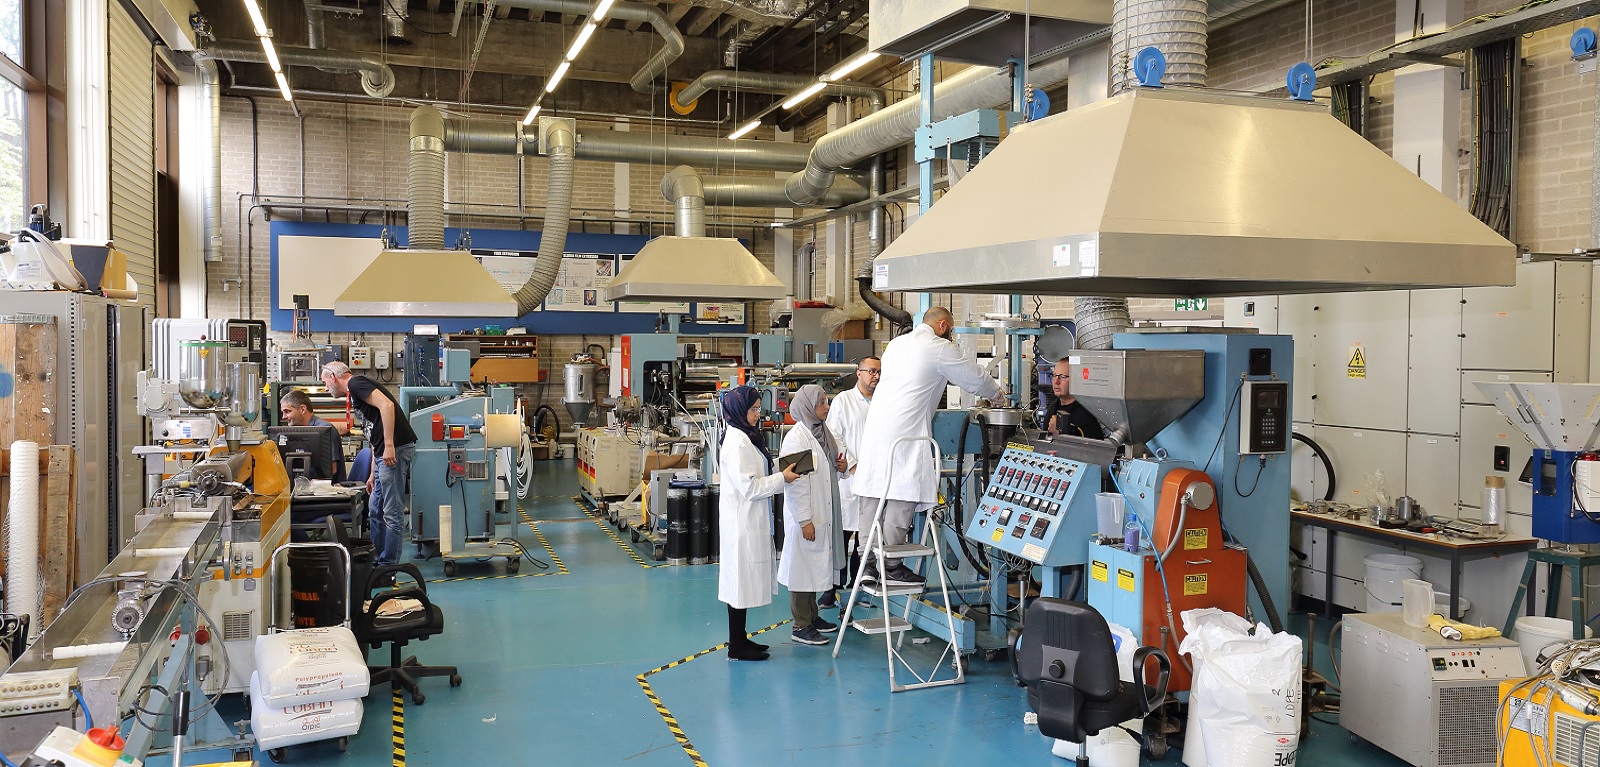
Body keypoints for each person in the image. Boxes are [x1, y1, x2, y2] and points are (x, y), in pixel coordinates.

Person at [853, 307, 1004, 587]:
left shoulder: (897, 345)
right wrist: (996, 393)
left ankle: (866, 565)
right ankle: (892, 565)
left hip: (876, 433)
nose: (952, 335)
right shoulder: (937, 348)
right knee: (902, 496)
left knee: (872, 497)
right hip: (906, 436)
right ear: (943, 324)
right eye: (952, 329)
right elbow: (972, 376)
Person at [717, 386, 802, 661]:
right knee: (739, 584)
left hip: (747, 520)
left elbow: (758, 471)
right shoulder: (738, 443)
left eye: (758, 408)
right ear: (740, 410)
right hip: (742, 524)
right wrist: (783, 479)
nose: (758, 414)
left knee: (741, 583)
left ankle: (740, 639)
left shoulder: (745, 436)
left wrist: (781, 467)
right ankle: (736, 645)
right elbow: (750, 488)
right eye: (753, 409)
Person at [322, 361, 417, 566]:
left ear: (333, 376)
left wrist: (390, 445)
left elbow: (387, 406)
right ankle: (376, 558)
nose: (325, 388)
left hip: (395, 450)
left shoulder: (356, 383)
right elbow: (374, 432)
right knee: (375, 508)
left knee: (392, 512)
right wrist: (373, 473)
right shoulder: (355, 392)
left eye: (325, 382)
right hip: (383, 453)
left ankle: (387, 566)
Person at [777, 385, 845, 646]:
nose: (827, 407)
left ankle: (812, 616)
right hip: (807, 513)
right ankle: (800, 624)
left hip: (824, 508)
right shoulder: (797, 439)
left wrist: (839, 466)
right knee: (802, 567)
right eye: (822, 403)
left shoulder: (822, 433)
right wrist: (804, 519)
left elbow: (827, 469)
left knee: (816, 564)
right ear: (808, 406)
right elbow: (795, 483)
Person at [823, 355, 879, 605]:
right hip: (849, 478)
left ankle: (859, 585)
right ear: (859, 373)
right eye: (871, 371)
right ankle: (831, 588)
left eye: (879, 372)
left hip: (875, 480)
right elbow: (835, 436)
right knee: (842, 536)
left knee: (866, 537)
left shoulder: (884, 402)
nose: (875, 376)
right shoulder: (844, 401)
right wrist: (853, 465)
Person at [277, 389, 346, 481]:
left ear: (303, 409)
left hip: (325, 490)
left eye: (287, 411)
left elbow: (331, 470)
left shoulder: (324, 430)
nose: (283, 417)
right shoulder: (301, 432)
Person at [1044, 358, 1106, 439]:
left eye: (1062, 377)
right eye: (1054, 375)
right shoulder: (1053, 407)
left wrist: (1059, 435)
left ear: (1076, 380)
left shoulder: (1085, 413)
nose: (1056, 381)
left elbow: (1093, 447)